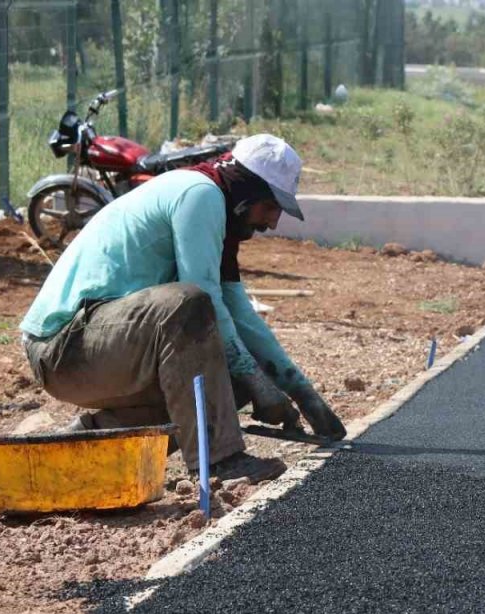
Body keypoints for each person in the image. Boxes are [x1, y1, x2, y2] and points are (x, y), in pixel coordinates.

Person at [20, 134, 345, 483]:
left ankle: (90, 442)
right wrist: (255, 377)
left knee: (230, 380)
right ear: (247, 192)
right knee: (188, 304)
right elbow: (202, 296)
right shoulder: (200, 194)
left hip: (100, 346)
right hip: (63, 349)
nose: (273, 222)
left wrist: (299, 391)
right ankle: (220, 460)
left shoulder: (214, 206)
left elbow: (238, 312)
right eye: (269, 207)